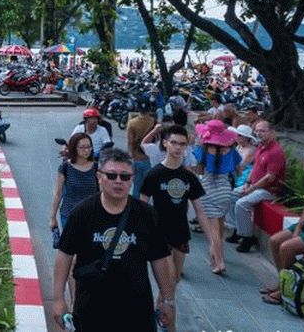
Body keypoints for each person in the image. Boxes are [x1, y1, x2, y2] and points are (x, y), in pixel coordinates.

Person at [53, 148, 175, 331]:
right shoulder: (82, 213)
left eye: (125, 177)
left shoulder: (147, 214)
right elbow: (64, 256)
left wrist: (167, 299)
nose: (118, 181)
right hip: (91, 309)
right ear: (99, 177)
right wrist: (58, 299)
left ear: (132, 179)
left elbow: (160, 258)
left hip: (137, 310)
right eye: (111, 176)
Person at [140, 125, 225, 286]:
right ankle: (164, 307)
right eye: (174, 142)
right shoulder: (154, 174)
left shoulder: (189, 177)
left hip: (180, 233)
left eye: (182, 144)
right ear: (165, 143)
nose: (178, 147)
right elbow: (143, 205)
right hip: (159, 233)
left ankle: (161, 307)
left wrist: (213, 244)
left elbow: (200, 212)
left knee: (176, 279)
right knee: (169, 278)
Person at [259, 147, 304, 305]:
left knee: (286, 248)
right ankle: (283, 281)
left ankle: (288, 288)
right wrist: (298, 227)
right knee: (275, 241)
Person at [49, 132, 99, 310]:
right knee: (74, 259)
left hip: (93, 218)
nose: (86, 150)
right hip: (69, 216)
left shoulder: (97, 168)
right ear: (74, 149)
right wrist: (52, 217)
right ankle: (75, 300)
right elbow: (58, 193)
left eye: (88, 147)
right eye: (82, 147)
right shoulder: (65, 168)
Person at [228, 120, 286, 252]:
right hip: (254, 185)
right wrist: (247, 183)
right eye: (257, 131)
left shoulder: (276, 152)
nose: (259, 133)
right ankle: (239, 229)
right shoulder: (260, 147)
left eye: (263, 131)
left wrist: (251, 189)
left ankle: (247, 238)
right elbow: (255, 168)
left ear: (272, 132)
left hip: (268, 190)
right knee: (231, 196)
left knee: (241, 203)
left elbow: (269, 178)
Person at [193, 119, 241, 269]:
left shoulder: (203, 150)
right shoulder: (232, 151)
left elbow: (199, 171)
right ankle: (215, 255)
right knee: (219, 223)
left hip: (208, 188)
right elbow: (238, 171)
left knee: (212, 228)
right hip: (225, 188)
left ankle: (220, 262)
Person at [127, 103, 156, 198]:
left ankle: (135, 209)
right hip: (150, 158)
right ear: (149, 110)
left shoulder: (132, 123)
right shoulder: (153, 122)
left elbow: (130, 141)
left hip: (137, 157)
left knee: (136, 186)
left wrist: (131, 155)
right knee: (147, 188)